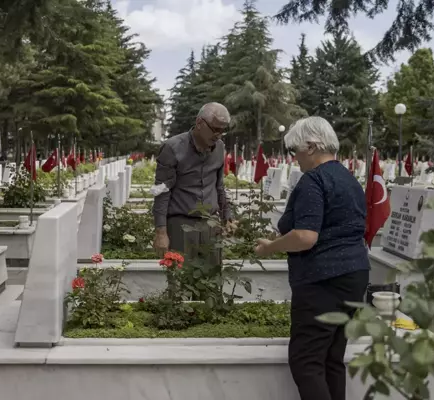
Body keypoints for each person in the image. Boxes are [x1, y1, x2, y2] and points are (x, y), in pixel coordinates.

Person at [254, 116, 369, 400]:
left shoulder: (313, 180)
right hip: (354, 275)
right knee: (331, 357)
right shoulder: (347, 177)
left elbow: (306, 236)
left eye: (296, 151)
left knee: (306, 361)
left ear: (312, 146)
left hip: (323, 279)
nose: (295, 158)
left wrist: (270, 247)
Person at [152, 102, 234, 259]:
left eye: (223, 130)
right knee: (180, 279)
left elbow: (219, 187)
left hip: (211, 225)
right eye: (215, 129)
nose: (219, 135)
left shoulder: (220, 148)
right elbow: (161, 191)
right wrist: (161, 232)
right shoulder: (172, 148)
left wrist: (227, 216)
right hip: (180, 226)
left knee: (211, 280)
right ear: (199, 123)